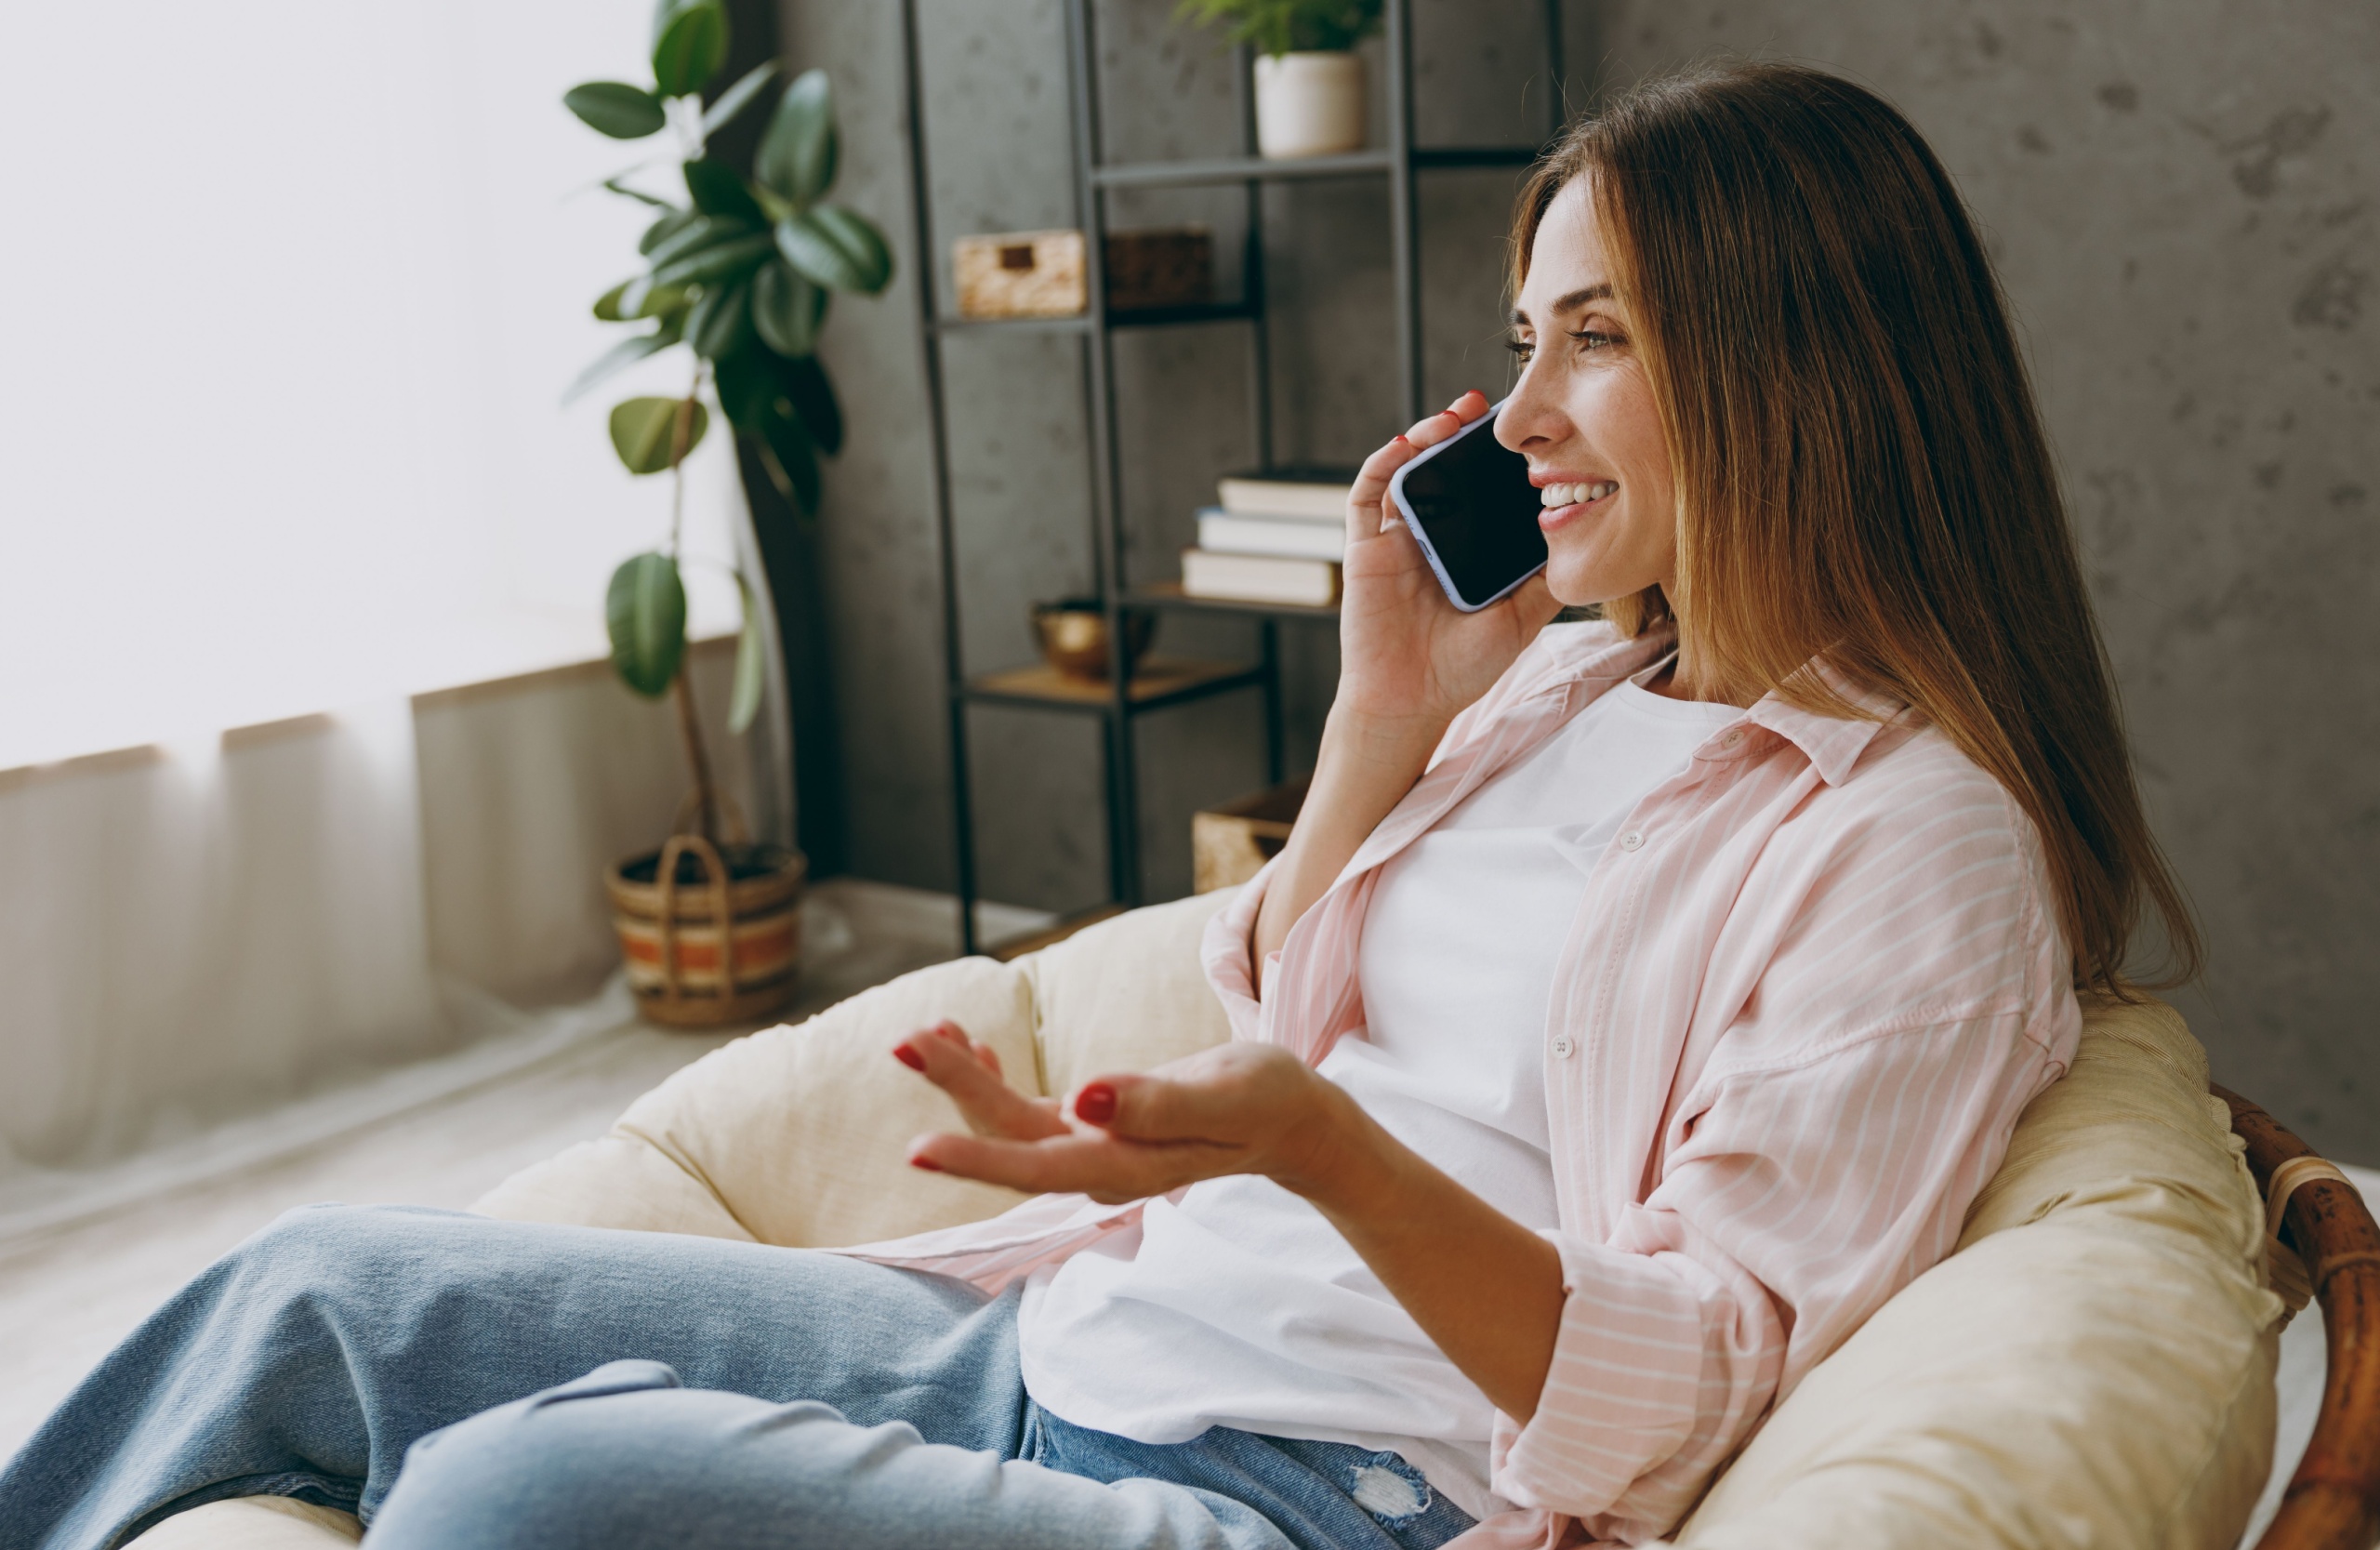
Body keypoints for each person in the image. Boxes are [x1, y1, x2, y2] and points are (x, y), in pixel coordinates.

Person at [1, 61, 2197, 1550]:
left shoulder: (1916, 846)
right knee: (322, 1288)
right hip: (1074, 1331)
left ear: (1797, 363)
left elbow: (1693, 1384)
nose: (1517, 408)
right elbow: (1273, 995)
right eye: (1519, 337)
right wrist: (1383, 712)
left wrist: (1309, 1149)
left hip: (1306, 1492)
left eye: (1593, 340)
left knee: (507, 1501)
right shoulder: (1567, 686)